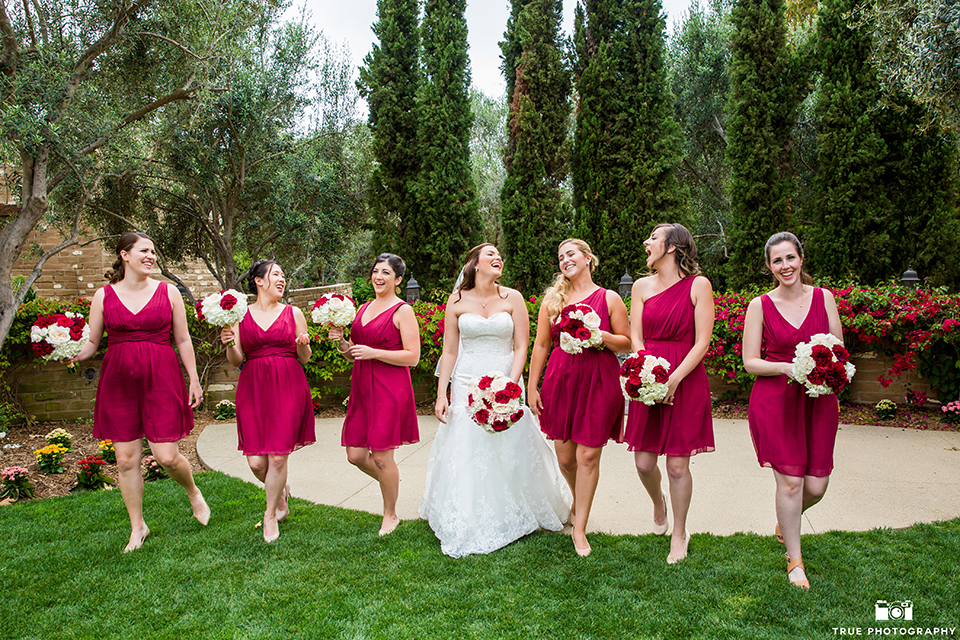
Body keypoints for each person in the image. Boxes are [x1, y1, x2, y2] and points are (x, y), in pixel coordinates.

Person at [420, 243, 572, 558]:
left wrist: (510, 384)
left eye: (499, 253)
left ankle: (521, 507)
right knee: (468, 447)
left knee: (511, 443)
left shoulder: (513, 298)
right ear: (474, 265)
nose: (497, 256)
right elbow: (450, 350)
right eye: (490, 253)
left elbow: (521, 346)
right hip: (466, 382)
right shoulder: (457, 300)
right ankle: (470, 512)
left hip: (504, 380)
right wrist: (442, 393)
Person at [71, 231, 209, 552]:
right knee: (125, 459)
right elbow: (93, 341)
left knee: (167, 457)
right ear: (125, 255)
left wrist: (194, 379)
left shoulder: (169, 292)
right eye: (144, 250)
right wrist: (74, 352)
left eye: (153, 251)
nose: (151, 256)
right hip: (119, 383)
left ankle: (192, 491)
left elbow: (184, 340)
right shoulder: (103, 296)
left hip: (161, 378)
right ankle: (138, 527)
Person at [742, 231, 844, 589]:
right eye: (777, 261)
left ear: (801, 259)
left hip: (818, 401)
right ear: (769, 267)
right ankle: (795, 561)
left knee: (816, 485)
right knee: (790, 483)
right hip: (775, 400)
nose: (785, 266)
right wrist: (788, 368)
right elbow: (750, 362)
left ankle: (787, 521)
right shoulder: (760, 305)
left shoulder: (824, 298)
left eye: (790, 258)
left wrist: (829, 370)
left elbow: (838, 348)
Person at [527, 239, 631, 556]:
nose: (565, 260)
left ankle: (580, 527)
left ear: (588, 258)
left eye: (570, 254)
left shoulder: (609, 298)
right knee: (565, 458)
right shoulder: (553, 301)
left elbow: (626, 343)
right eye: (560, 257)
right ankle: (576, 499)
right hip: (561, 382)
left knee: (588, 456)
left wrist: (599, 336)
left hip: (600, 382)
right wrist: (532, 387)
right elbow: (542, 345)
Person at [621, 223, 715, 564]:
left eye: (654, 238)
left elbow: (702, 342)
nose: (646, 242)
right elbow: (636, 336)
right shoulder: (641, 287)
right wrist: (648, 375)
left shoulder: (698, 286)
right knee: (644, 462)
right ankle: (658, 504)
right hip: (648, 377)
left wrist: (672, 380)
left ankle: (679, 532)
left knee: (677, 466)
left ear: (673, 247)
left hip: (685, 378)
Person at [221, 260, 314, 543]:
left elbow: (305, 358)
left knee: (277, 456)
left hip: (288, 385)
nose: (282, 279)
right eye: (276, 274)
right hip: (254, 388)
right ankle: (281, 495)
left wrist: (304, 345)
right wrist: (229, 343)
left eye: (283, 275)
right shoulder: (239, 316)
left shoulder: (293, 312)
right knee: (256, 463)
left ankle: (270, 514)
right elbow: (236, 360)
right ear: (259, 281)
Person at [329, 253, 420, 536]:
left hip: (389, 388)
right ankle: (389, 478)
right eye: (376, 271)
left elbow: (413, 357)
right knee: (355, 455)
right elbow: (353, 354)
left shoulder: (402, 310)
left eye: (386, 273)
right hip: (362, 389)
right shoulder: (362, 308)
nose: (378, 277)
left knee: (382, 456)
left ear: (398, 279)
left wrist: (374, 353)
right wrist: (342, 343)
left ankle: (390, 513)